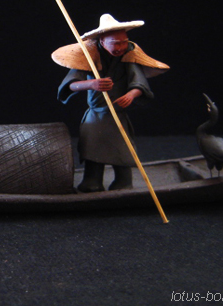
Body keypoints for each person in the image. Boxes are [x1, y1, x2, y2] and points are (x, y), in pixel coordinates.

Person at [52, 14, 169, 192]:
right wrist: (91, 84)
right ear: (102, 41)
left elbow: (140, 84)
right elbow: (70, 85)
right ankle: (92, 182)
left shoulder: (128, 56)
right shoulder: (89, 55)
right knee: (92, 150)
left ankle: (123, 182)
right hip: (96, 115)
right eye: (115, 43)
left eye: (124, 42)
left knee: (122, 150)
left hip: (118, 115)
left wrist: (131, 95)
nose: (120, 47)